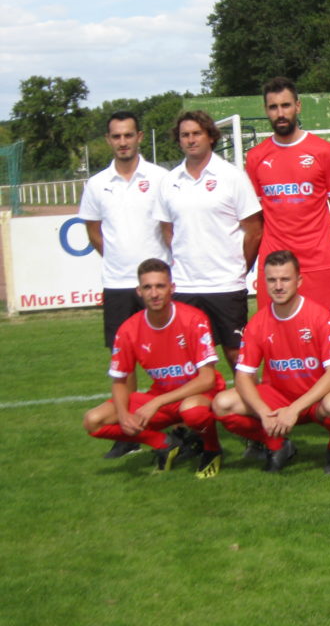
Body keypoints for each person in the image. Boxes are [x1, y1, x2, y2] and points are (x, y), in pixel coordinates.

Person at [79, 110, 172, 459]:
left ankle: (178, 424)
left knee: (169, 357)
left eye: (128, 135)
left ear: (138, 137)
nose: (123, 142)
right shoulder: (96, 184)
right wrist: (120, 262)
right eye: (116, 136)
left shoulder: (161, 178)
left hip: (158, 284)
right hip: (118, 285)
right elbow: (93, 232)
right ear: (108, 140)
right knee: (124, 362)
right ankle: (129, 429)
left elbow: (170, 229)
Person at [212, 250, 330, 474]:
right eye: (272, 280)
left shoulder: (320, 317)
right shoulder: (257, 323)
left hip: (318, 399)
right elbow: (242, 376)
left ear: (299, 281)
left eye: (285, 279)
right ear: (262, 282)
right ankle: (278, 445)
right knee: (222, 404)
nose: (278, 286)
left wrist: (295, 409)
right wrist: (262, 412)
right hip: (280, 396)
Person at [82, 258, 224, 478]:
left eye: (160, 286)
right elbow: (119, 381)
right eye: (148, 287)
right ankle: (164, 444)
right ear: (139, 291)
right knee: (93, 421)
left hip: (198, 394)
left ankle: (212, 449)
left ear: (172, 288)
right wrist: (123, 415)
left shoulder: (194, 319)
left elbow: (207, 379)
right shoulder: (128, 329)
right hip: (162, 399)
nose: (154, 293)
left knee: (192, 411)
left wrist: (156, 402)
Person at [153, 110, 262, 372]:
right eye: (185, 135)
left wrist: (238, 268)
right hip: (187, 286)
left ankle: (249, 410)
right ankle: (198, 412)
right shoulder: (169, 182)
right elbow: (167, 230)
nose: (191, 140)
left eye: (196, 134)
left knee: (237, 357)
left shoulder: (231, 176)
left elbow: (255, 230)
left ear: (210, 137)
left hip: (226, 284)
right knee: (191, 360)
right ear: (179, 140)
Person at [245, 77, 330, 323]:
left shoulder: (323, 151)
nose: (280, 113)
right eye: (273, 107)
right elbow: (255, 216)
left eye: (286, 105)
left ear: (298, 106)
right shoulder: (256, 157)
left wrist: (320, 240)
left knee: (329, 335)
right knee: (275, 338)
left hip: (318, 262)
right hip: (274, 263)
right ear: (266, 110)